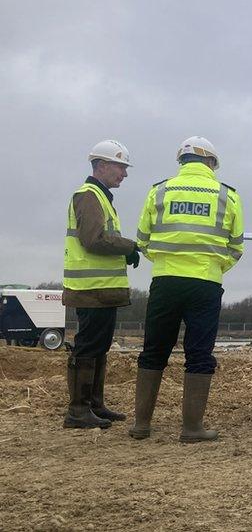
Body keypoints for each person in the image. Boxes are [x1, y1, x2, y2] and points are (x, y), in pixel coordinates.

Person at [128, 137, 244, 443]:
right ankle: (192, 428)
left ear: (181, 161)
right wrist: (213, 268)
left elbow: (142, 240)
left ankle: (141, 424)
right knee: (199, 354)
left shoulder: (159, 191)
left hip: (165, 281)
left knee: (154, 350)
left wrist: (166, 262)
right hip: (206, 284)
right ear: (210, 163)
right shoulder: (227, 196)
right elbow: (236, 246)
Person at [62, 140, 141, 429]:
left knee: (99, 345)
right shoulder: (89, 195)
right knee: (88, 346)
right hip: (91, 289)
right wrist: (129, 246)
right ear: (102, 166)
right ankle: (79, 410)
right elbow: (93, 239)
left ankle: (94, 405)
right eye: (121, 167)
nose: (124, 174)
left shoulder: (101, 196)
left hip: (101, 290)